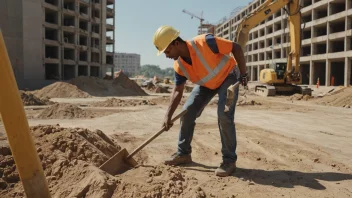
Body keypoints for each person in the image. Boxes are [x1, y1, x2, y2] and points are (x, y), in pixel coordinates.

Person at [152, 25, 248, 177]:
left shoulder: (206, 41)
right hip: (207, 85)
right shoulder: (179, 66)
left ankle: (229, 160)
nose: (166, 56)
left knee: (224, 115)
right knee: (187, 112)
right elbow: (177, 90)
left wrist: (243, 74)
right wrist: (167, 116)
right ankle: (183, 153)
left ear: (176, 43)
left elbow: (235, 47)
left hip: (229, 76)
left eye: (167, 51)